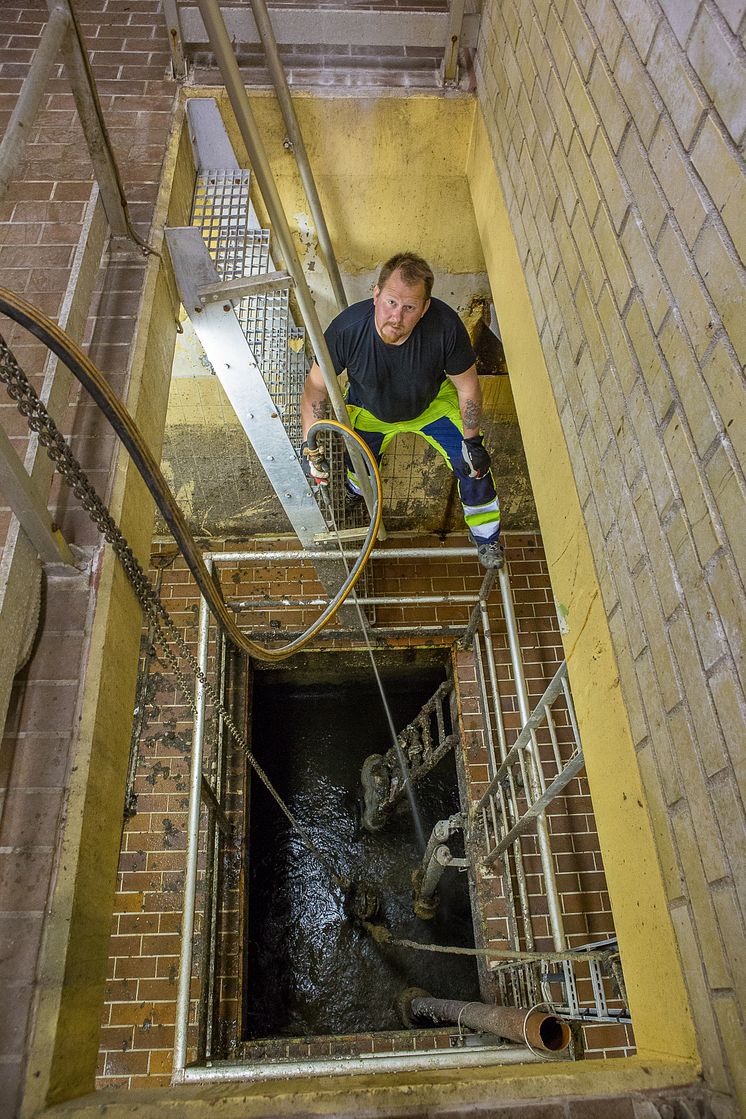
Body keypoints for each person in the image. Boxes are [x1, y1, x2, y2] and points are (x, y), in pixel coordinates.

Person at [300, 252, 503, 569]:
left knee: (474, 465)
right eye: (391, 303)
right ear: (376, 294)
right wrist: (311, 449)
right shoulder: (347, 330)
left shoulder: (445, 328)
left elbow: (467, 387)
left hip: (431, 406)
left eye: (409, 307)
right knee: (358, 462)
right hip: (370, 409)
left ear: (424, 309)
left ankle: (487, 538)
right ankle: (357, 491)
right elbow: (316, 387)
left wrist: (473, 442)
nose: (397, 317)